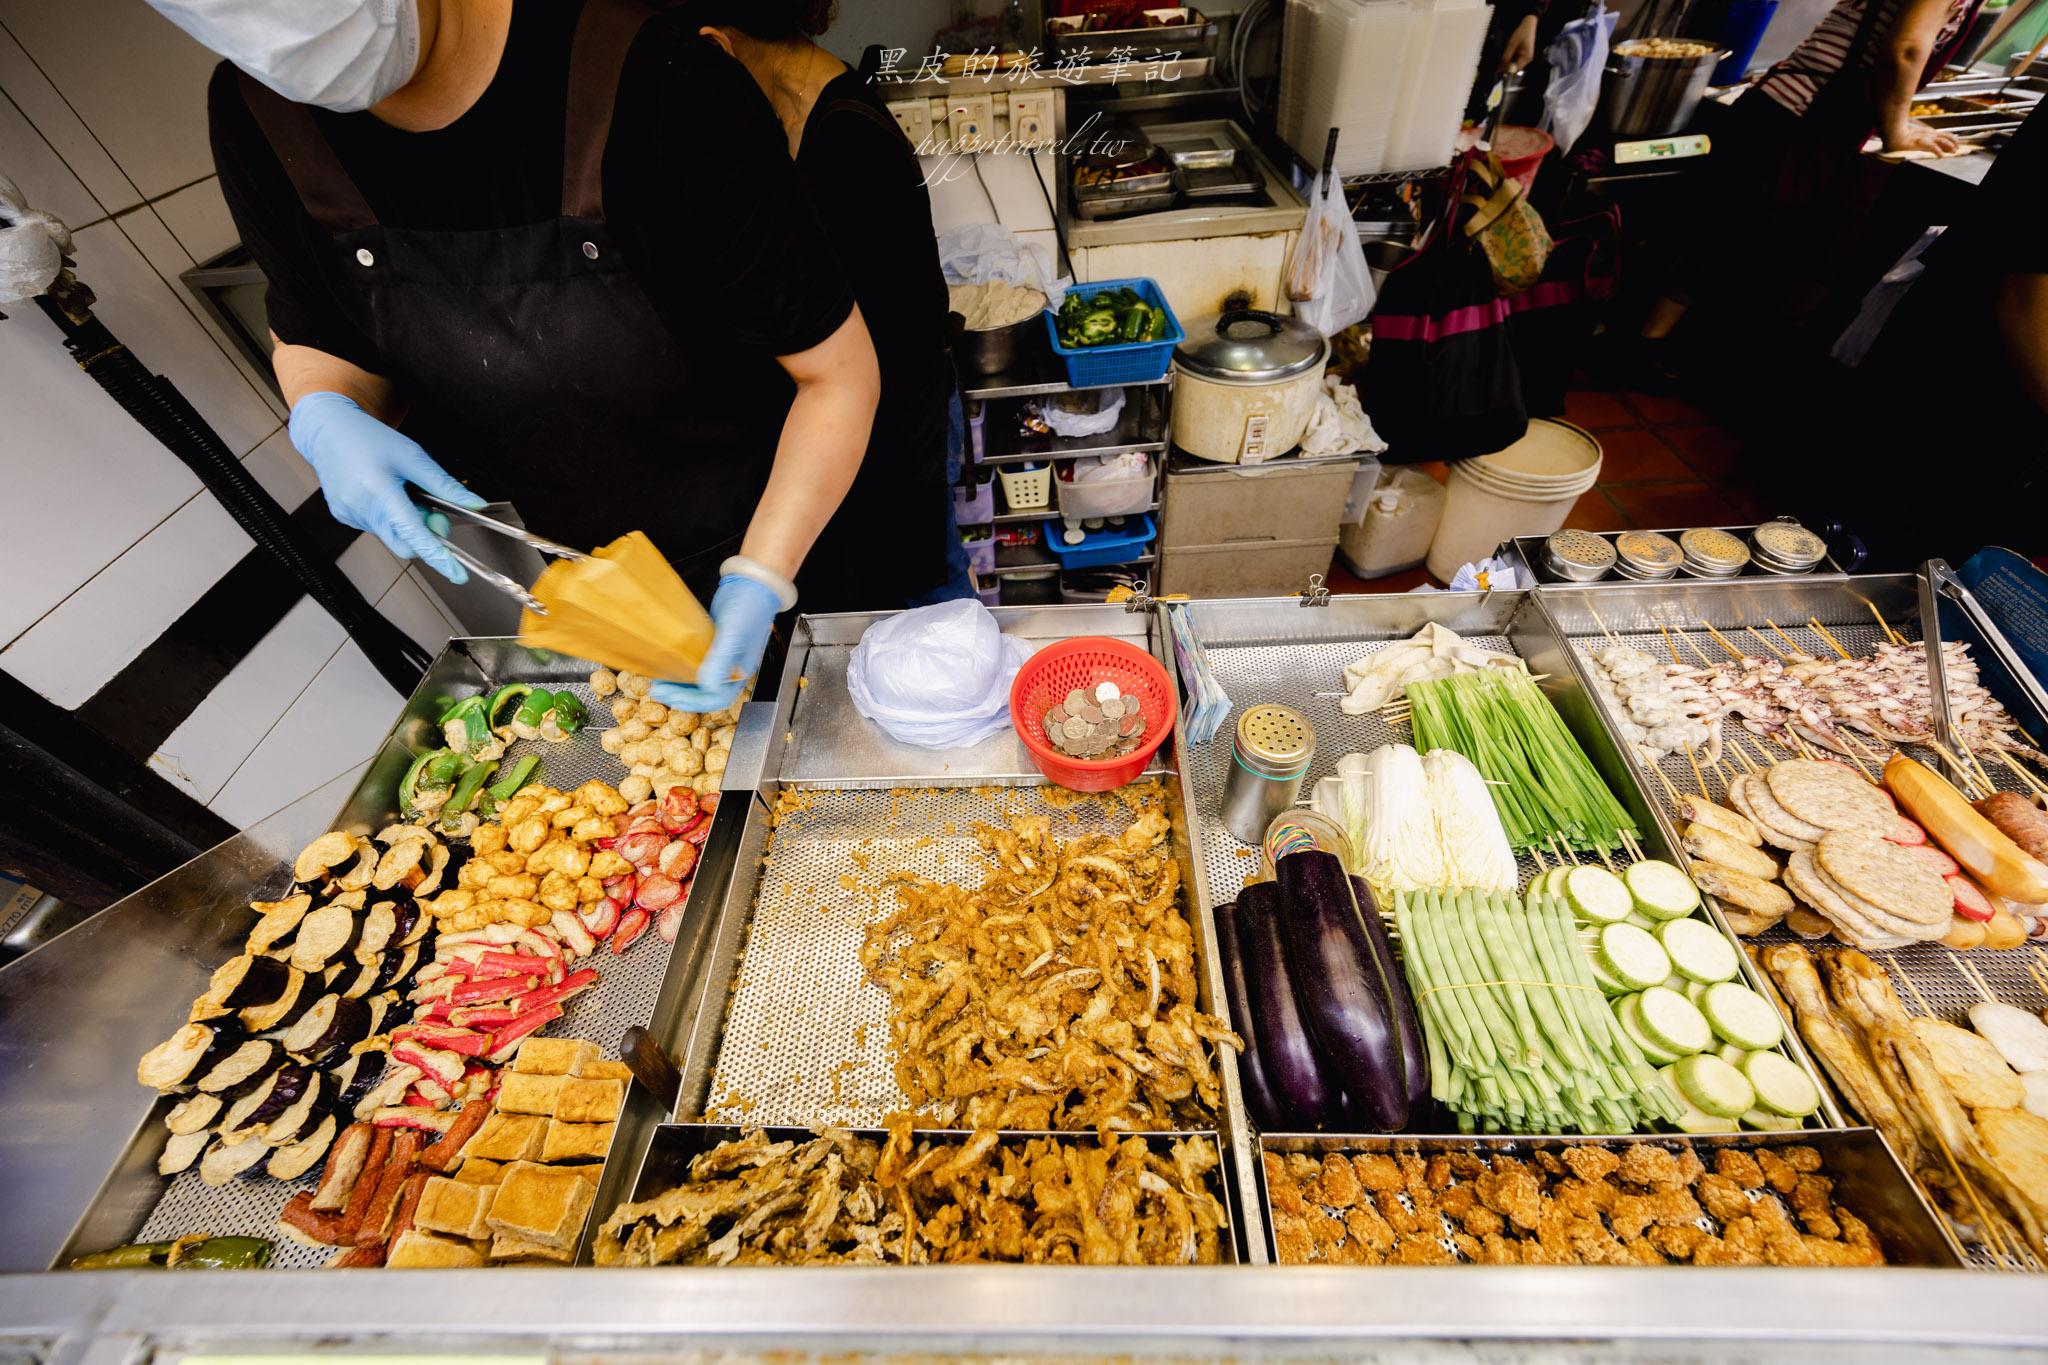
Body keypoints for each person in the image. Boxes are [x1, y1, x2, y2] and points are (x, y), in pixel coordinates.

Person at [155, 0, 887, 713]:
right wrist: (323, 410)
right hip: (567, 591)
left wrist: (761, 579)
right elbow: (315, 333)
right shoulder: (256, 110)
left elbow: (836, 376)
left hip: (775, 540)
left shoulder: (658, 78)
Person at [690, 2, 971, 607]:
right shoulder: (809, 113)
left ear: (717, 46)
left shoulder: (847, 144)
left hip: (898, 438)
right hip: (880, 426)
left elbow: (873, 345)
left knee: (927, 608)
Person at [1635, 0, 1978, 359]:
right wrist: (1896, 134)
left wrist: (1899, 119)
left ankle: (1642, 339)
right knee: (1724, 236)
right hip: (1802, 113)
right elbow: (1905, 50)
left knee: (1717, 231)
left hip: (1790, 105)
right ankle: (1644, 345)